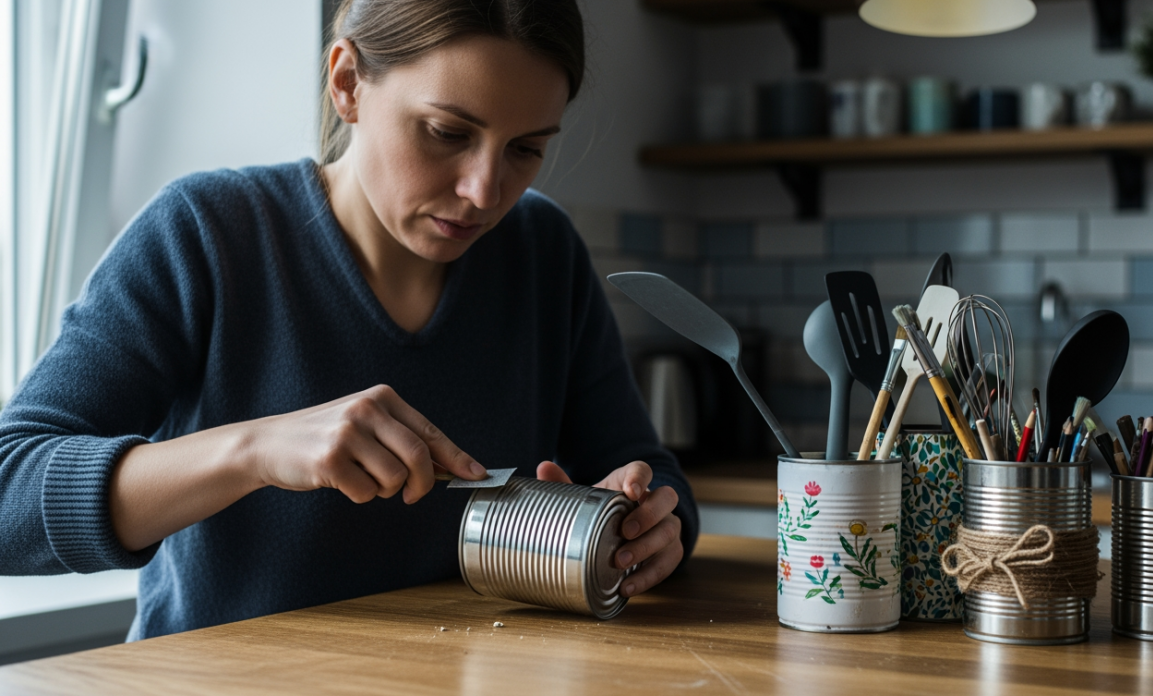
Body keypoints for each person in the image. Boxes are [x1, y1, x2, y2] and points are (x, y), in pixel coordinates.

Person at [0, 0, 697, 640]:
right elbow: (10, 497)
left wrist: (651, 526)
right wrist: (256, 450)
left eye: (525, 148)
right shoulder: (204, 235)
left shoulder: (545, 252)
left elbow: (651, 474)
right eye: (447, 132)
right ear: (347, 83)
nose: (484, 191)